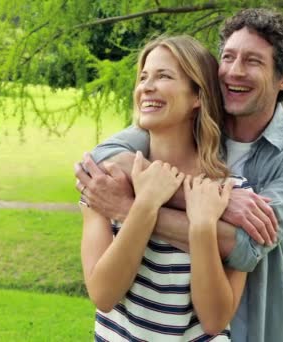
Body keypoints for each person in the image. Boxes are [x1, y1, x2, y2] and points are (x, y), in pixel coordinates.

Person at [76, 8, 283, 342]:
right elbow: (100, 160)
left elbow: (246, 246)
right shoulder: (161, 132)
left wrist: (132, 209)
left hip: (249, 328)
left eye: (253, 61)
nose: (234, 72)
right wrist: (183, 198)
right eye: (227, 57)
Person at [80, 35, 250, 341]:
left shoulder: (231, 193)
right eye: (144, 77)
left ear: (197, 96)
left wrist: (201, 228)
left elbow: (214, 320)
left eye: (164, 76)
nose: (146, 86)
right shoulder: (107, 185)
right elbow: (103, 294)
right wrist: (145, 204)